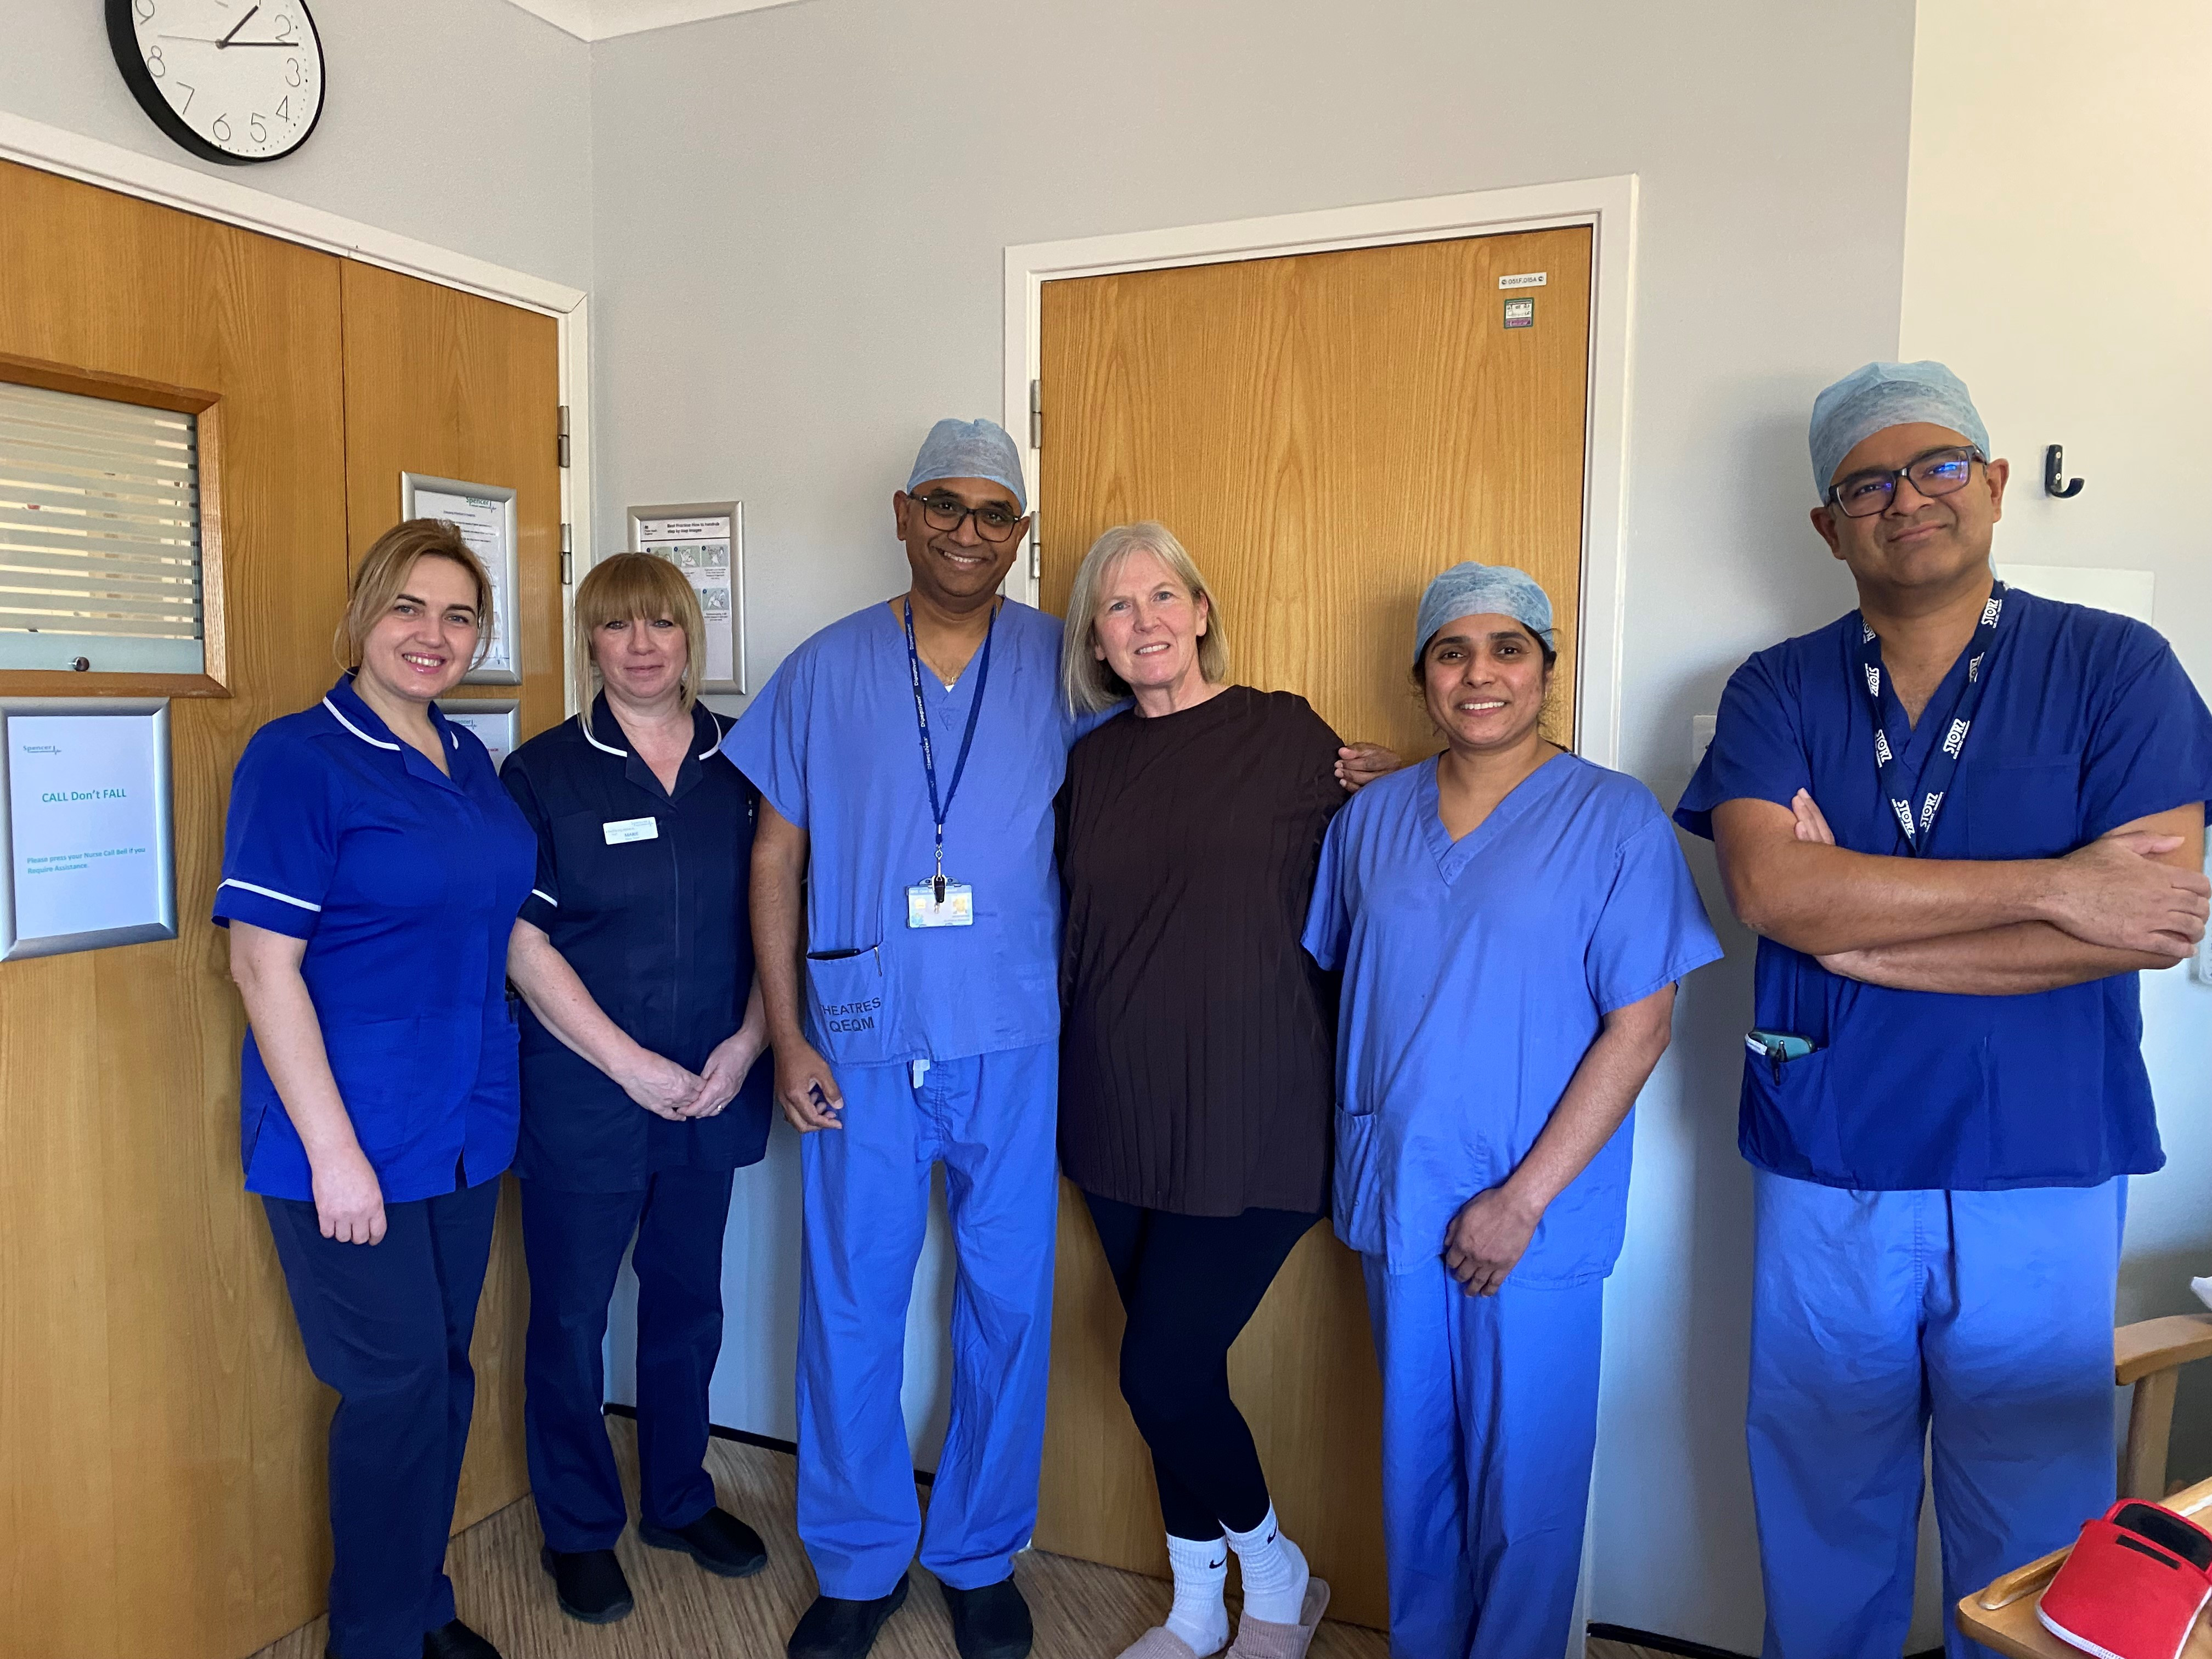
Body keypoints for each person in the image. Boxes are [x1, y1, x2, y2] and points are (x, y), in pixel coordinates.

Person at [732, 418, 1402, 1659]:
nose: (968, 532)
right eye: (946, 505)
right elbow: (776, 850)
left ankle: (982, 1551)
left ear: (1022, 538)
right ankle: (859, 1558)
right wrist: (785, 1033)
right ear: (903, 511)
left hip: (1020, 1036)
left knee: (1008, 1308)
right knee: (852, 1304)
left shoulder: (1064, 668)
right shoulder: (823, 669)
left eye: (996, 514)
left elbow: (1189, 770)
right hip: (861, 1035)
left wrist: (1399, 770)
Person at [1674, 360, 2212, 1659]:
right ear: (1827, 523)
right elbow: (1770, 884)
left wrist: (1861, 933)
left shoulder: (2116, 669)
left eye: (1937, 466)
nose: (1906, 497)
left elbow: (2146, 920)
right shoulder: (1776, 689)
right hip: (1829, 1157)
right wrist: (2055, 890)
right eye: (1867, 480)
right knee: (1821, 1500)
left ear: (1995, 484)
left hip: (2042, 1160)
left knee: (2029, 1524)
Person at [1304, 562, 1722, 1659]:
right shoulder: (1372, 821)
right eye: (1452, 652)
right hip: (1402, 1194)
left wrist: (1522, 1199)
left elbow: (1642, 1028)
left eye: (1507, 650)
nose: (1479, 673)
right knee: (1417, 1471)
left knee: (1526, 1487)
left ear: (1546, 669)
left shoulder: (1615, 818)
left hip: (1537, 1211)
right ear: (1422, 677)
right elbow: (1358, 988)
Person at [216, 520, 538, 1659]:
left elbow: (501, 934)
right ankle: (373, 1637)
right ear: (363, 616)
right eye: (409, 607)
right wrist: (335, 1156)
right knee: (395, 1388)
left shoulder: (471, 761)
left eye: (458, 615)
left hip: (462, 1127)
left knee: (443, 1379)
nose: (433, 635)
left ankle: (416, 1599)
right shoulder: (298, 758)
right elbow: (262, 965)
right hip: (347, 1138)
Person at [1057, 523, 1371, 1659]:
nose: (1142, 622)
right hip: (1114, 1103)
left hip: (1258, 1109)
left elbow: (1389, 870)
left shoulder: (1287, 736)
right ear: (1096, 638)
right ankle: (1197, 1605)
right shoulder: (1090, 762)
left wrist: (1408, 774)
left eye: (1160, 597)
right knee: (1171, 1370)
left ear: (1199, 609)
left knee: (1161, 1364)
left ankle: (1278, 1579)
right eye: (1115, 607)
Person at [501, 554, 774, 1625]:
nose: (644, 644)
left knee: (686, 1306)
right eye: (619, 628)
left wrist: (750, 1045)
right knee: (568, 1320)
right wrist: (629, 1064)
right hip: (586, 1094)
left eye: (663, 623)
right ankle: (578, 1528)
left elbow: (781, 920)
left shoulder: (749, 766)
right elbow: (524, 942)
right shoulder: (543, 773)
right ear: (592, 644)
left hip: (712, 1089)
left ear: (690, 636)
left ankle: (675, 1497)